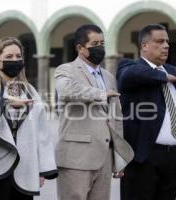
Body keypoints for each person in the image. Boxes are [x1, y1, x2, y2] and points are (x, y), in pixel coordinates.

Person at [0, 37, 58, 200]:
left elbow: (42, 133)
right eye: (9, 57)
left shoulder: (30, 90)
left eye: (18, 56)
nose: (15, 60)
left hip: (23, 168)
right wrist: (8, 102)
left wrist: (42, 169)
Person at [54, 24, 133, 200]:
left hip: (104, 159)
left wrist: (119, 158)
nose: (100, 48)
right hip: (76, 159)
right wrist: (101, 94)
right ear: (80, 48)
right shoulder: (66, 70)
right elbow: (67, 90)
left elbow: (116, 118)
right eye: (95, 43)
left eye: (102, 43)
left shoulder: (109, 76)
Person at [117, 24, 176, 200]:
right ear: (144, 45)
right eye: (159, 41)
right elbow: (130, 75)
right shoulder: (129, 67)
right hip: (143, 156)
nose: (166, 45)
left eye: (167, 41)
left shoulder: (175, 72)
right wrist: (162, 76)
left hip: (173, 157)